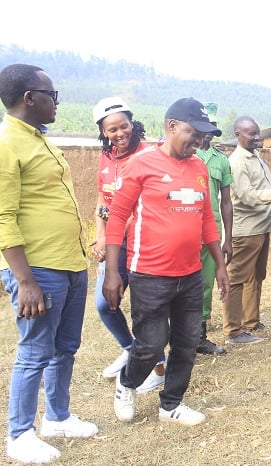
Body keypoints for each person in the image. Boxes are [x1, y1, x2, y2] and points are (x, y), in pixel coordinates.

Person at [103, 97, 230, 426]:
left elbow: (206, 222)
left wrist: (220, 267)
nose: (200, 140)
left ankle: (170, 403)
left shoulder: (199, 167)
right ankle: (127, 382)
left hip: (190, 274)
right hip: (149, 274)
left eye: (203, 135)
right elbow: (117, 218)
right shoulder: (142, 164)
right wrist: (112, 275)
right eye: (194, 132)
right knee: (151, 343)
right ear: (171, 127)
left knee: (187, 343)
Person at [0, 63, 98, 464]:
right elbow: (3, 216)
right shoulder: (8, 143)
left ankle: (57, 417)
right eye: (51, 94)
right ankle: (19, 434)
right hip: (37, 270)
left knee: (65, 347)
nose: (57, 101)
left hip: (69, 264)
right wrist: (25, 281)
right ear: (29, 98)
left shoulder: (40, 140)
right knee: (35, 351)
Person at [91, 96, 166, 392]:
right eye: (112, 130)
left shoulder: (150, 155)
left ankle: (158, 368)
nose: (119, 134)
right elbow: (102, 200)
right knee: (104, 303)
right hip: (114, 243)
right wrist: (100, 233)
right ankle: (131, 350)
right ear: (103, 132)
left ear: (132, 124)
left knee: (145, 310)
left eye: (124, 126)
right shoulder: (106, 158)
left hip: (144, 243)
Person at [224, 116, 271, 344]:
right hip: (245, 231)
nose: (257, 137)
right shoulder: (238, 161)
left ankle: (251, 321)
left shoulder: (256, 158)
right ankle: (233, 330)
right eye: (251, 134)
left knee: (256, 277)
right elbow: (247, 196)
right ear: (238, 135)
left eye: (258, 133)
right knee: (236, 278)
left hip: (261, 228)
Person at [194, 103, 232, 355]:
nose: (209, 132)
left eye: (213, 128)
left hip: (212, 232)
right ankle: (176, 337)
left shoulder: (221, 161)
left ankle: (199, 336)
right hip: (185, 229)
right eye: (205, 127)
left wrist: (228, 238)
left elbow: (226, 201)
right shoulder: (185, 154)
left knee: (206, 284)